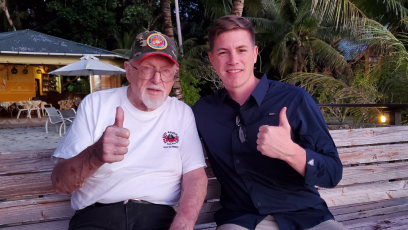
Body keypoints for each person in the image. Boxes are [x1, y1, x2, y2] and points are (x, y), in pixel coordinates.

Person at [192, 15, 345, 230]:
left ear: (255, 54)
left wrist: (290, 152)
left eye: (241, 50)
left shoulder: (295, 100)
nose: (233, 60)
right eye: (223, 52)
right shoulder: (203, 111)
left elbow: (332, 174)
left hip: (306, 217)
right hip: (241, 220)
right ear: (212, 59)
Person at [51, 31, 208, 230]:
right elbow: (60, 184)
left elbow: (195, 176)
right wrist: (95, 154)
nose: (156, 79)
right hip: (98, 217)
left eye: (165, 71)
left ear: (174, 74)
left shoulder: (182, 113)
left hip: (159, 217)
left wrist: (184, 223)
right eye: (147, 68)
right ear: (129, 70)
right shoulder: (95, 104)